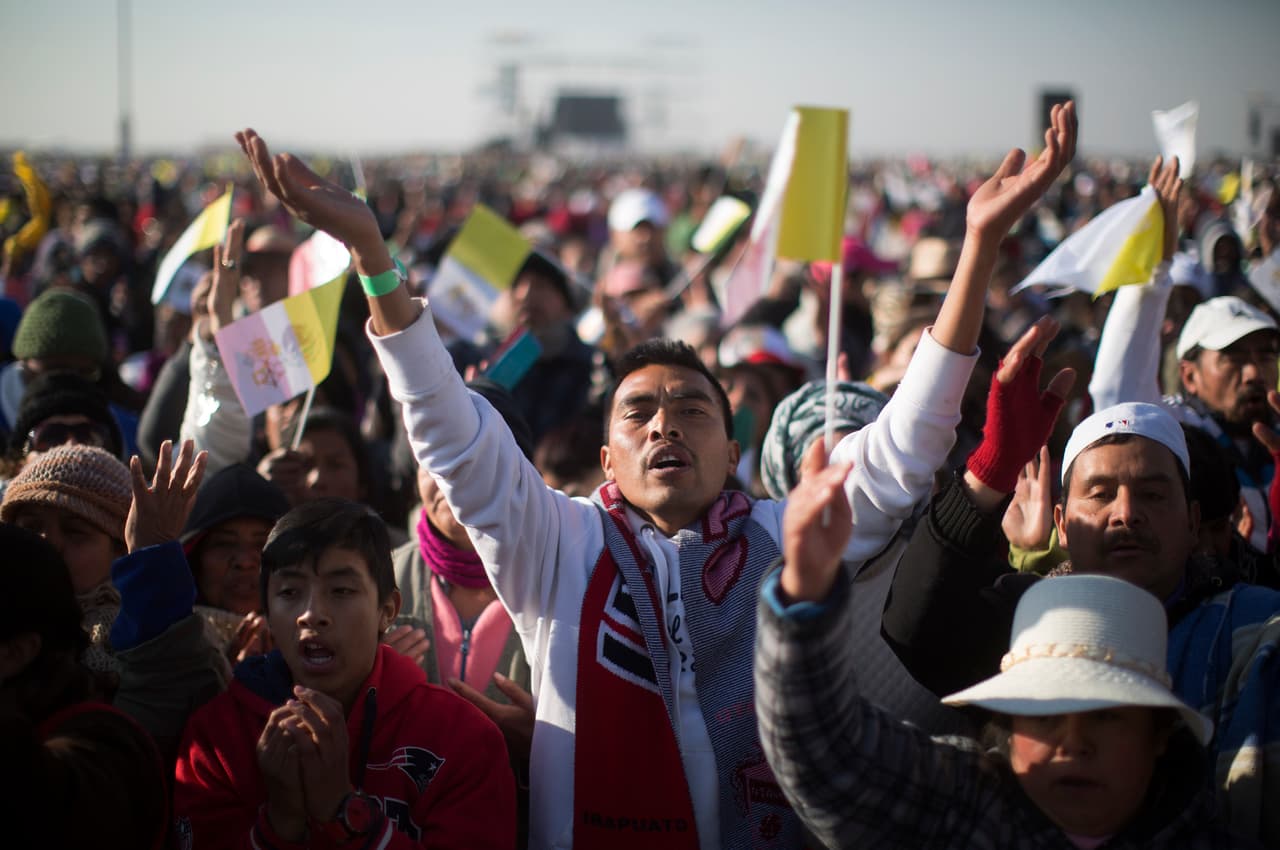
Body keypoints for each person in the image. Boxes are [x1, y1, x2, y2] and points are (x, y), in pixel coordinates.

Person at [233, 100, 1075, 848]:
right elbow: (452, 435)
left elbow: (903, 447)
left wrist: (978, 248)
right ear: (605, 461)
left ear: (734, 453)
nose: (665, 422)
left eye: (692, 409)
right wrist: (373, 253)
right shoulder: (555, 546)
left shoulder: (787, 537)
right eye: (638, 413)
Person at [754, 455, 1246, 847]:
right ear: (1008, 728)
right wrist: (804, 589)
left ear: (1159, 733)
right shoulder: (964, 803)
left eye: (1106, 715)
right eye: (1046, 714)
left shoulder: (1206, 833)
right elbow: (825, 755)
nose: (1073, 744)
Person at [882, 401, 1280, 844]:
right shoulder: (1033, 626)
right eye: (1100, 493)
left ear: (1191, 522)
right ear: (1062, 525)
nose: (1125, 513)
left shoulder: (1259, 627)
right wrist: (989, 472)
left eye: (1152, 494)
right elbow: (915, 627)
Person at [173, 498, 515, 848]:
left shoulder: (461, 738)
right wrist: (280, 823)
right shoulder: (217, 739)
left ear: (387, 610)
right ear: (268, 613)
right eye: (290, 592)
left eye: (341, 591)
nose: (312, 613)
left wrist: (343, 812)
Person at [1090, 156, 1280, 552]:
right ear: (1189, 374)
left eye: (1264, 355)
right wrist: (1153, 271)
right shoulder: (1176, 434)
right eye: (1232, 357)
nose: (1253, 374)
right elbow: (1115, 393)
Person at [0, 523, 170, 850]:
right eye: (33, 523)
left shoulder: (104, 752)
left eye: (76, 532)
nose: (52, 540)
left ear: (14, 653)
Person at [181, 462, 292, 659]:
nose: (244, 561)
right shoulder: (161, 648)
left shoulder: (320, 648)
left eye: (263, 544)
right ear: (195, 562)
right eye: (224, 543)